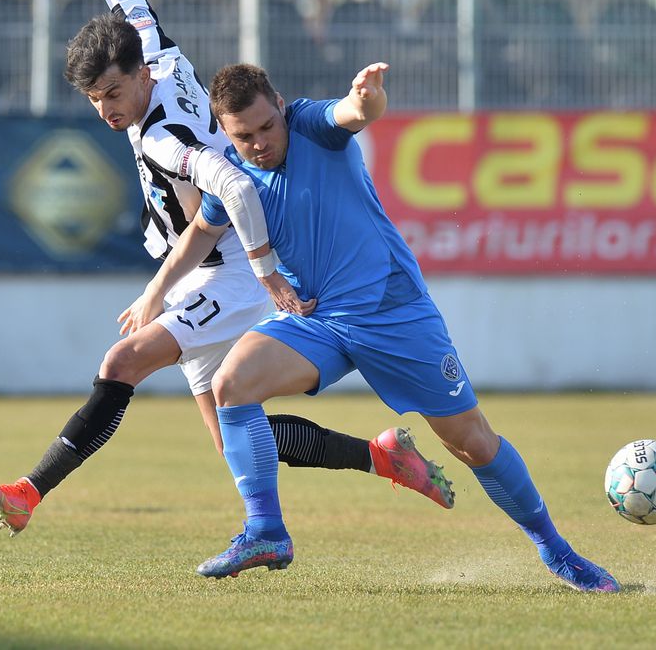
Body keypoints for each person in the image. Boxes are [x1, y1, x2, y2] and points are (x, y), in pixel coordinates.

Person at [0, 0, 453, 536]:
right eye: (94, 99)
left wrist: (264, 273)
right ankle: (384, 457)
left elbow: (235, 188)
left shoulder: (166, 138)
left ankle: (28, 492)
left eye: (114, 94)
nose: (106, 111)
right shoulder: (154, 48)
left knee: (122, 361)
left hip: (230, 269)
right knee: (232, 435)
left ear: (139, 76)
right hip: (203, 266)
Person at [122, 60, 620, 592]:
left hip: (393, 313)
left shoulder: (310, 124)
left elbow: (354, 113)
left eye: (267, 126)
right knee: (231, 384)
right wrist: (155, 291)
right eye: (244, 136)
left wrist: (367, 98)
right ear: (226, 133)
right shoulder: (232, 174)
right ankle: (266, 531)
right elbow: (203, 229)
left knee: (471, 442)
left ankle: (556, 550)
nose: (261, 143)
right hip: (317, 318)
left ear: (281, 106)